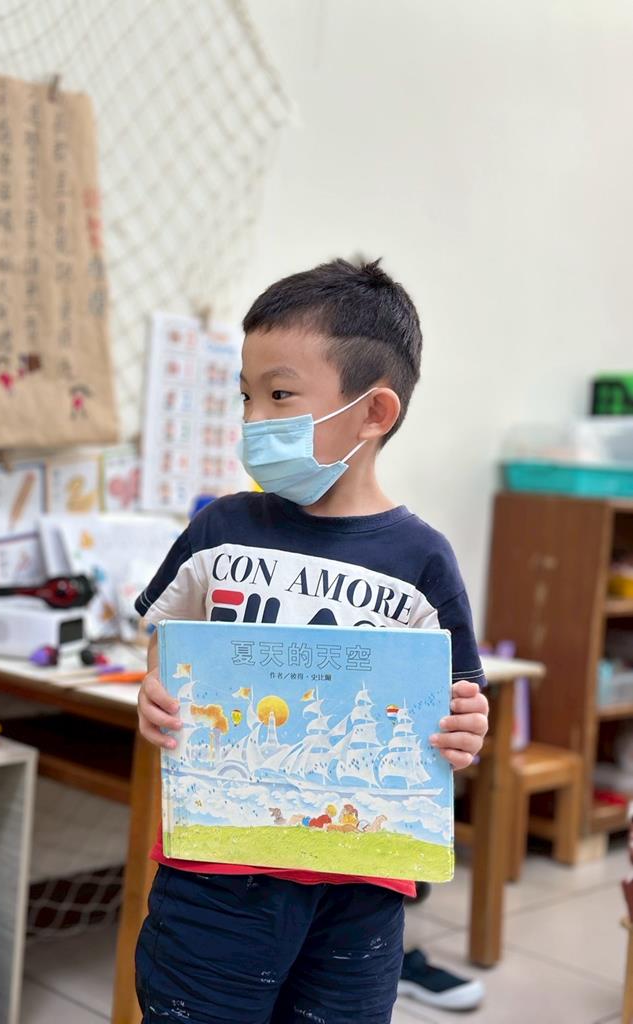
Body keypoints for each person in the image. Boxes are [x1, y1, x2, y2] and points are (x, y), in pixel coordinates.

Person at [135, 258, 490, 1024]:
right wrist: (153, 690)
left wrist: (466, 729)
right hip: (215, 877)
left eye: (280, 396)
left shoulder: (420, 561)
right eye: (247, 396)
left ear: (373, 412)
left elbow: (457, 698)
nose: (254, 419)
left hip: (359, 892)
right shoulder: (221, 530)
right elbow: (163, 644)